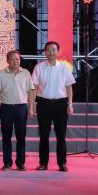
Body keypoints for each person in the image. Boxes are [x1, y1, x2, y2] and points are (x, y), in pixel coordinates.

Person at [31, 41, 75, 172]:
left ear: (58, 52)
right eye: (48, 50)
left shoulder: (64, 67)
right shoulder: (39, 67)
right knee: (44, 135)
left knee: (61, 135)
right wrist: (32, 105)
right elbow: (34, 87)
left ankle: (62, 163)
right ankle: (43, 163)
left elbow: (69, 87)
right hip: (43, 104)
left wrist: (70, 105)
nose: (51, 53)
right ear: (45, 52)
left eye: (53, 50)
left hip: (60, 104)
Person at [0, 50, 35, 171]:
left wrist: (31, 108)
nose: (15, 62)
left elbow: (30, 91)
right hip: (6, 108)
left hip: (21, 108)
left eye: (17, 59)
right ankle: (7, 163)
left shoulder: (26, 73)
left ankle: (20, 163)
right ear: (7, 61)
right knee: (6, 136)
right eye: (12, 59)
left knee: (21, 137)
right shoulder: (1, 74)